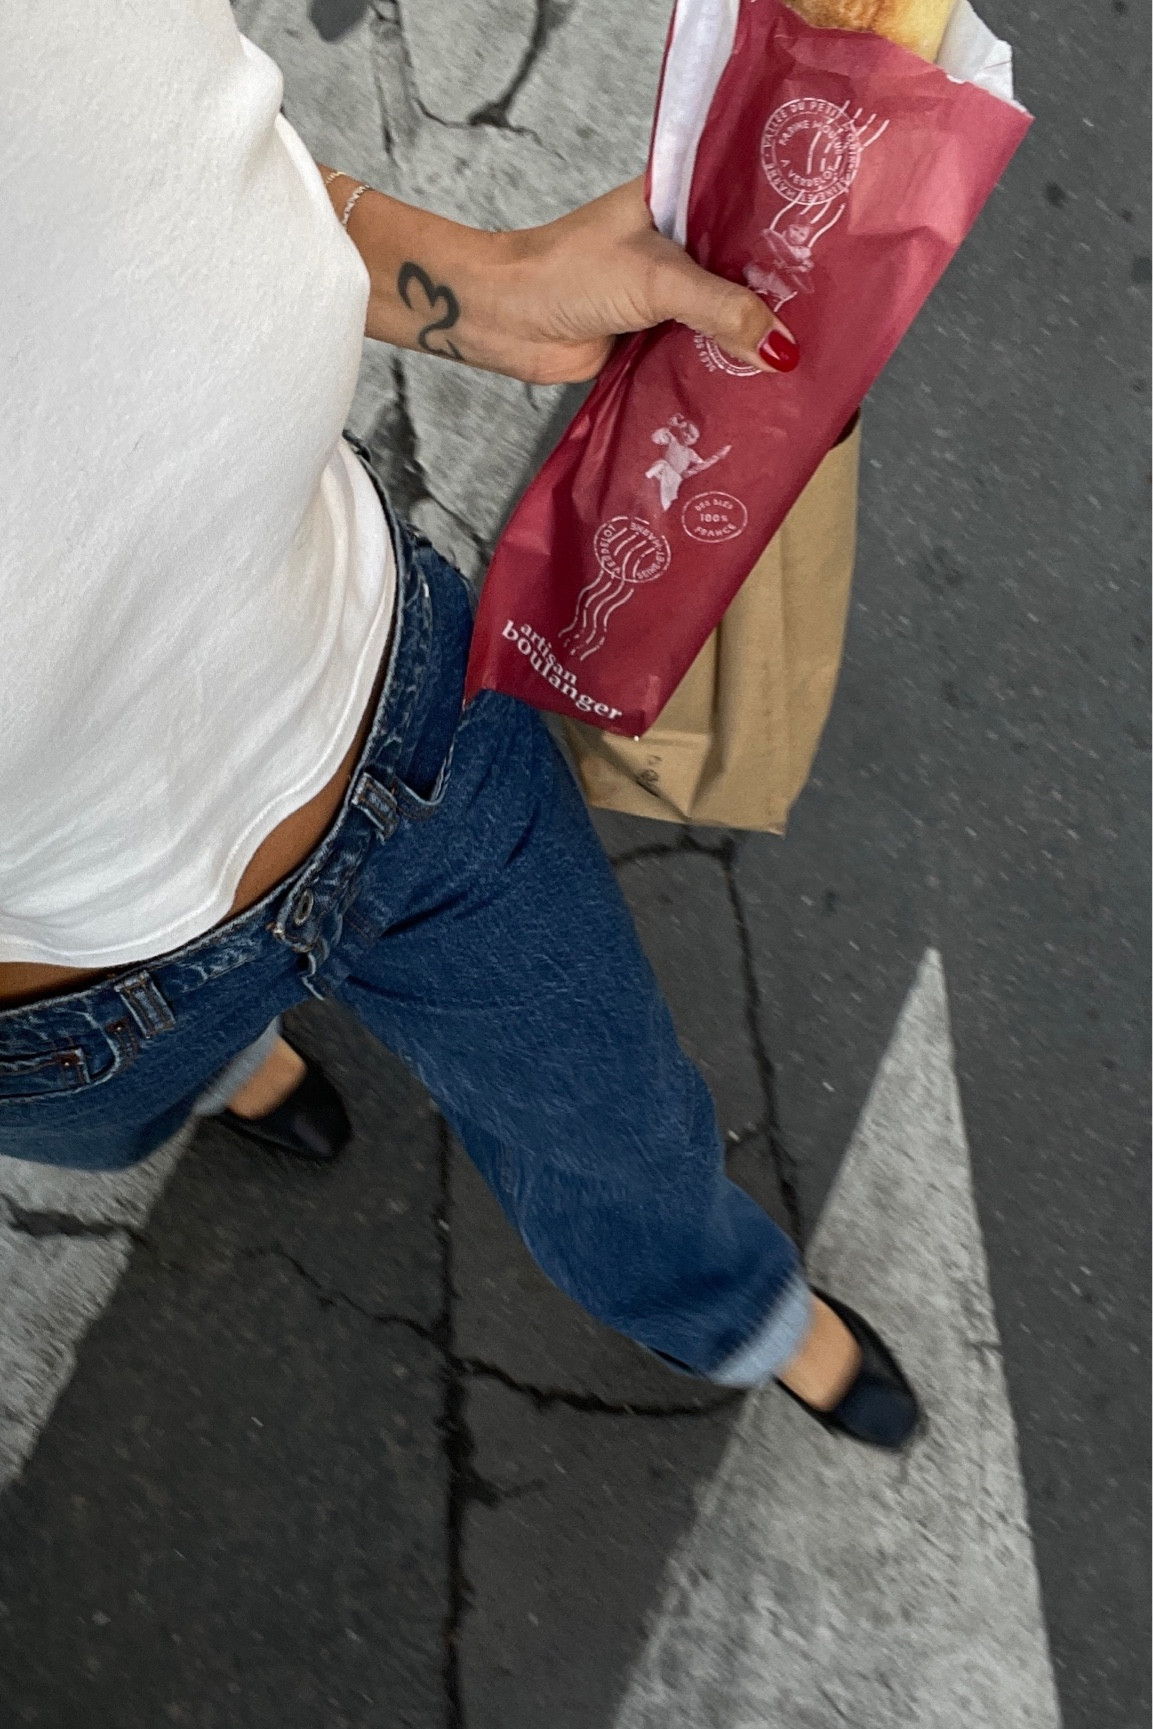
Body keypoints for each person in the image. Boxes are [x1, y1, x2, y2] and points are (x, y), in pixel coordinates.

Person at [0, 1, 918, 1450]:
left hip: (401, 713)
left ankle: (728, 1306)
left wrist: (469, 278)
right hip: (68, 995)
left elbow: (148, 186)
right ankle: (235, 1062)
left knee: (619, 1126)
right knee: (118, 1118)